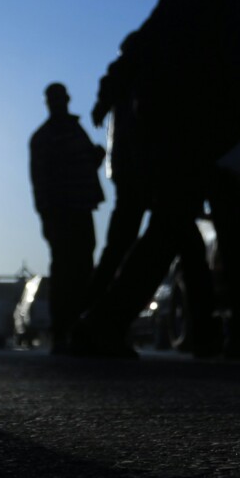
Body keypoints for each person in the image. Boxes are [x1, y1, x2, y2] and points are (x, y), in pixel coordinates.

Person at [64, 0, 240, 360]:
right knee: (237, 228)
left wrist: (110, 100)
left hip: (169, 133)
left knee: (167, 229)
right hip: (212, 128)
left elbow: (137, 51)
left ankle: (101, 325)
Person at [92, 58, 217, 353]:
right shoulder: (152, 73)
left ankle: (99, 322)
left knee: (168, 247)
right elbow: (153, 122)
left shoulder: (134, 77)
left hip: (146, 171)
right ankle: (102, 323)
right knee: (163, 246)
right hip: (156, 172)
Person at [29, 82, 104, 350]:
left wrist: (95, 158)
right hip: (60, 212)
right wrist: (46, 216)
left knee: (83, 267)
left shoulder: (73, 129)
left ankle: (78, 328)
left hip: (81, 207)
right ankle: (62, 330)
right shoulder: (44, 137)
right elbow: (40, 181)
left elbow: (82, 165)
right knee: (64, 270)